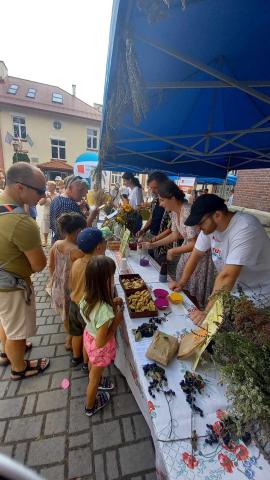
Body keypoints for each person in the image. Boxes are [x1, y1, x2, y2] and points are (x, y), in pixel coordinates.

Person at [170, 194, 270, 324]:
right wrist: (181, 283)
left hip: (259, 296)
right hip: (233, 291)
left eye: (200, 223)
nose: (198, 228)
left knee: (242, 337)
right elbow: (195, 256)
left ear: (217, 215)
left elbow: (227, 276)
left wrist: (207, 313)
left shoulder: (246, 227)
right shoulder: (210, 228)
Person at [0, 162, 49, 379]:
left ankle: (6, 353)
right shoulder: (21, 222)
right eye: (40, 190)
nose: (43, 194)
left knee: (6, 322)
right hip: (12, 285)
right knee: (18, 332)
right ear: (20, 187)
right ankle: (19, 368)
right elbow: (39, 265)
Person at [142, 180, 215, 307]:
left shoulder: (187, 211)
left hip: (199, 257)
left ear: (173, 198)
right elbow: (175, 234)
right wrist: (153, 244)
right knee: (182, 287)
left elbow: (195, 243)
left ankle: (194, 315)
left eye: (162, 200)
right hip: (187, 253)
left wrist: (173, 251)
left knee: (193, 294)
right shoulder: (174, 212)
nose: (160, 204)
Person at [80, 256, 124, 416]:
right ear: (104, 282)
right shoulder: (104, 312)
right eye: (111, 277)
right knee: (93, 378)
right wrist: (116, 322)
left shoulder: (86, 296)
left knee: (93, 368)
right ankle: (90, 406)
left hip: (88, 338)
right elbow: (101, 342)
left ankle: (96, 379)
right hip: (99, 347)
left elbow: (95, 315)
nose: (112, 281)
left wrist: (112, 302)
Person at [69, 228, 107, 368]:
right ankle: (86, 363)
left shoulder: (77, 262)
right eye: (105, 242)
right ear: (98, 247)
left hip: (73, 304)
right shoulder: (95, 268)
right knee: (87, 335)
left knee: (76, 333)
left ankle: (75, 357)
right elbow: (98, 291)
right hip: (86, 308)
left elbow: (71, 283)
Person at [49, 213, 86, 350]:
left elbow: (51, 265)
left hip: (57, 286)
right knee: (71, 315)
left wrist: (53, 280)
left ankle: (69, 337)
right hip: (71, 289)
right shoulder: (77, 251)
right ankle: (71, 339)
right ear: (78, 231)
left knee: (64, 314)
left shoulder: (57, 244)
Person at [50, 175, 98, 242]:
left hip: (59, 243)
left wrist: (78, 208)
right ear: (69, 188)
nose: (84, 194)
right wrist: (92, 216)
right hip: (67, 248)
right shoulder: (68, 204)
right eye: (80, 190)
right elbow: (78, 233)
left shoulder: (57, 199)